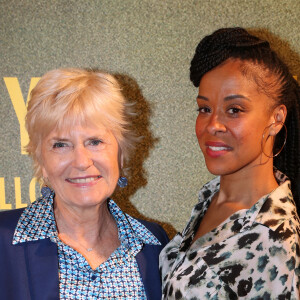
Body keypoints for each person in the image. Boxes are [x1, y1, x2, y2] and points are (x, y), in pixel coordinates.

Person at [0, 68, 169, 300]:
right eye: (61, 144)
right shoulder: (3, 241)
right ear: (41, 158)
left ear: (121, 153)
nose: (81, 161)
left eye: (95, 141)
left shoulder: (155, 244)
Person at [160, 28, 300, 299]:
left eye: (234, 110)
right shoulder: (213, 194)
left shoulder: (270, 240)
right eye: (204, 109)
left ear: (276, 118)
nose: (212, 125)